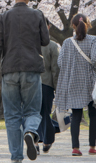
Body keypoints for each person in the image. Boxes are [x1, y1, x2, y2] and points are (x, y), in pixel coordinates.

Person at [0, 0, 49, 162]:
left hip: (9, 69)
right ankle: (30, 132)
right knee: (32, 111)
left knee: (12, 115)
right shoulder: (38, 15)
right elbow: (45, 41)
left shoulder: (3, 17)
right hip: (32, 69)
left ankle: (16, 156)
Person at [56, 13, 96, 157]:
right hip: (90, 81)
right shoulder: (93, 40)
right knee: (93, 114)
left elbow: (60, 63)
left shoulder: (67, 42)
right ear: (87, 25)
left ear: (73, 26)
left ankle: (75, 148)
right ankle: (92, 146)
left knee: (76, 115)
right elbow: (95, 59)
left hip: (73, 81)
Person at [39, 16, 60, 154]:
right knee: (45, 112)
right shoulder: (52, 46)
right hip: (46, 84)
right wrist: (57, 88)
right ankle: (46, 140)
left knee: (31, 112)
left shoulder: (28, 44)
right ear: (48, 27)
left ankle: (35, 140)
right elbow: (55, 70)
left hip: (30, 84)